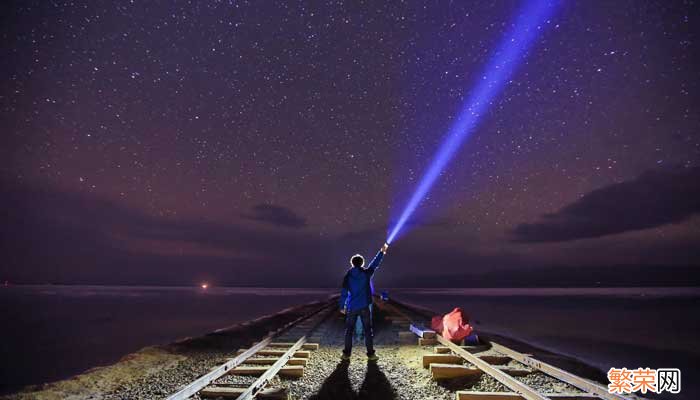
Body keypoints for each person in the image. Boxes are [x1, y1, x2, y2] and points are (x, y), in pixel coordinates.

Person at [339, 242, 389, 361]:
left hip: (352, 307)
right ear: (362, 263)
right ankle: (371, 354)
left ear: (352, 263)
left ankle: (346, 354)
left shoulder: (348, 276)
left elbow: (344, 292)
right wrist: (382, 252)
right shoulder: (366, 274)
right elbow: (374, 264)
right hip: (364, 307)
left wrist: (342, 306)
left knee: (349, 331)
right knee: (368, 331)